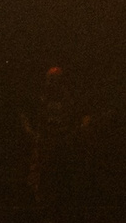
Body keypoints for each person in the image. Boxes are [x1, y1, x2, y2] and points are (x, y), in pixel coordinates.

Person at [21, 64, 86, 208]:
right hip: (44, 142)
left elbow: (79, 118)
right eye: (51, 80)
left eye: (56, 80)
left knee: (61, 174)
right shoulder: (39, 98)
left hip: (62, 142)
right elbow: (25, 116)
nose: (53, 84)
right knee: (41, 173)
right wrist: (32, 134)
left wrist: (71, 133)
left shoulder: (69, 100)